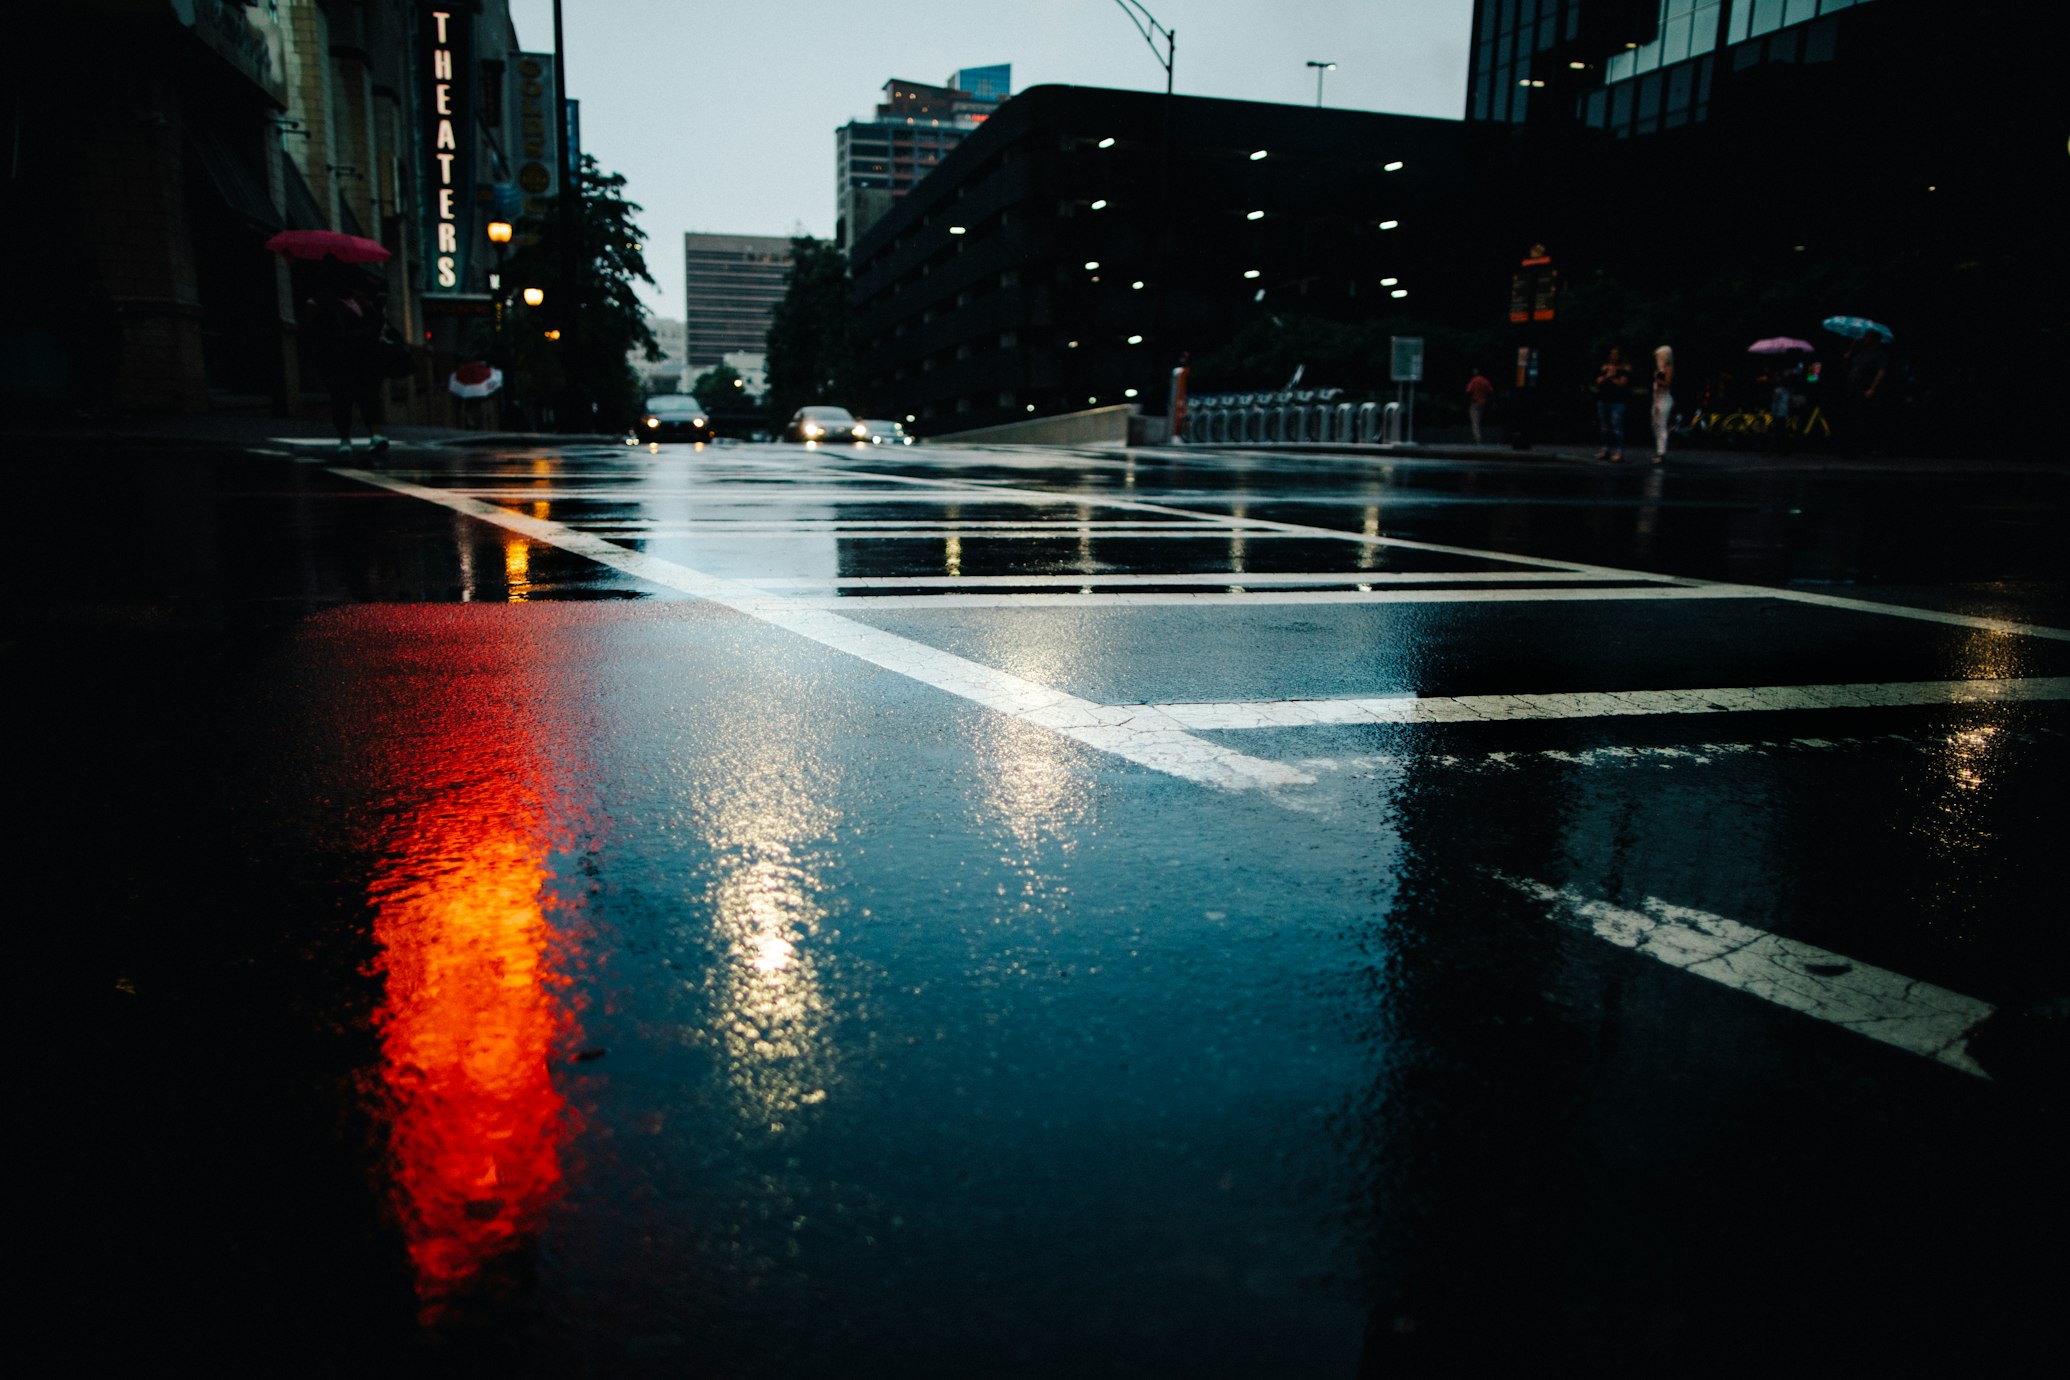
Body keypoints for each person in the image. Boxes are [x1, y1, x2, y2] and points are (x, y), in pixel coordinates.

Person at [303, 256, 390, 455]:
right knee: (343, 398)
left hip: (361, 358)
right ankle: (346, 438)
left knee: (366, 396)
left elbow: (376, 324)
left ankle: (373, 435)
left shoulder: (358, 300)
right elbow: (318, 331)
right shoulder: (321, 302)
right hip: (338, 358)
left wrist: (376, 307)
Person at [1593, 347, 1631, 461]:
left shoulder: (1624, 368)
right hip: (1603, 399)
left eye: (1616, 354)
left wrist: (1613, 376)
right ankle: (1605, 450)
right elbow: (1598, 381)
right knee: (1604, 427)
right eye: (1612, 354)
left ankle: (1619, 451)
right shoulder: (1605, 367)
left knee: (1617, 427)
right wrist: (1607, 376)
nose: (1614, 356)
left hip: (1617, 401)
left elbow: (1622, 383)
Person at [1649, 345, 1674, 462]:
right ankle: (1659, 450)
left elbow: (1667, 382)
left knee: (1661, 425)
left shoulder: (1668, 368)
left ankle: (1661, 452)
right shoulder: (1660, 368)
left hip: (1664, 398)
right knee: (1656, 425)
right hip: (1657, 398)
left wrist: (1657, 379)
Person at [1465, 366, 1494, 445]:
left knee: (1474, 421)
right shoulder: (1485, 381)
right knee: (1479, 420)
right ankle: (1476, 437)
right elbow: (1491, 390)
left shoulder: (1474, 380)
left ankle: (1477, 438)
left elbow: (1468, 390)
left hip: (1474, 402)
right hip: (1483, 402)